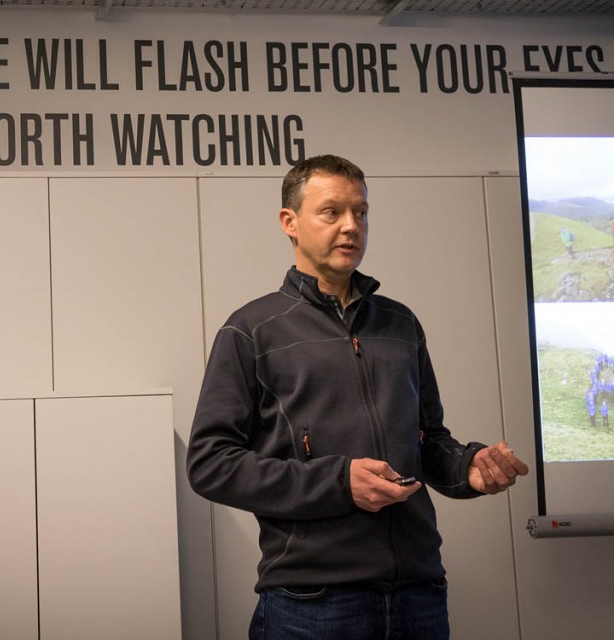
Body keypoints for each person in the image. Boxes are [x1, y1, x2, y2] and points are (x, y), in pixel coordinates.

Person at [186, 154, 529, 640]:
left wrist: (467, 467)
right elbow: (210, 464)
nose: (351, 226)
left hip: (419, 594)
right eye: (332, 212)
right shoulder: (251, 332)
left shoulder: (401, 324)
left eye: (361, 212)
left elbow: (429, 440)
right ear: (290, 222)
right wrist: (338, 482)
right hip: (312, 604)